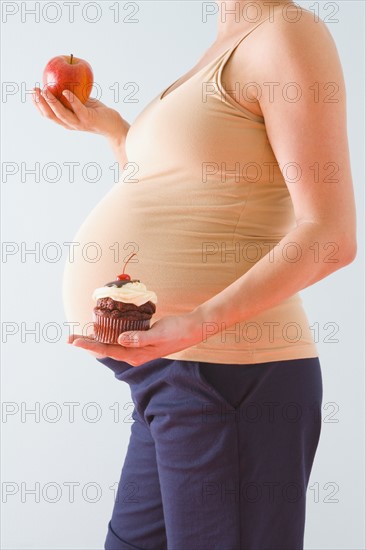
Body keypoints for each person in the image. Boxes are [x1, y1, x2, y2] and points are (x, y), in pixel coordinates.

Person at [32, 1, 357, 548]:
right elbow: (184, 196)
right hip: (174, 375)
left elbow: (331, 235)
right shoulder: (224, 38)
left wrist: (197, 323)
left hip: (230, 378)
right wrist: (117, 133)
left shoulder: (287, 33)